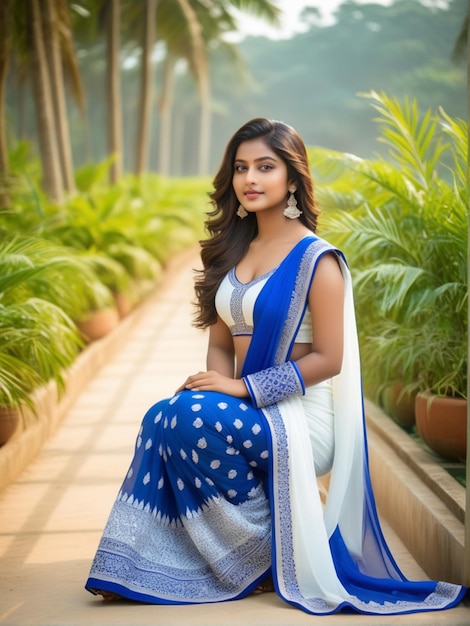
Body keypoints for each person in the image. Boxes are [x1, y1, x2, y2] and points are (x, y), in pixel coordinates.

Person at [85, 117, 466, 615]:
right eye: (241, 168)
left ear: (292, 177)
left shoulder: (317, 260)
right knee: (166, 415)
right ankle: (142, 560)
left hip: (301, 416)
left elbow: (329, 359)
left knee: (187, 418)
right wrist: (215, 387)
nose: (250, 179)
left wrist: (239, 390)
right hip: (252, 407)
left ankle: (264, 554)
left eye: (265, 167)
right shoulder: (233, 251)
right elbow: (220, 342)